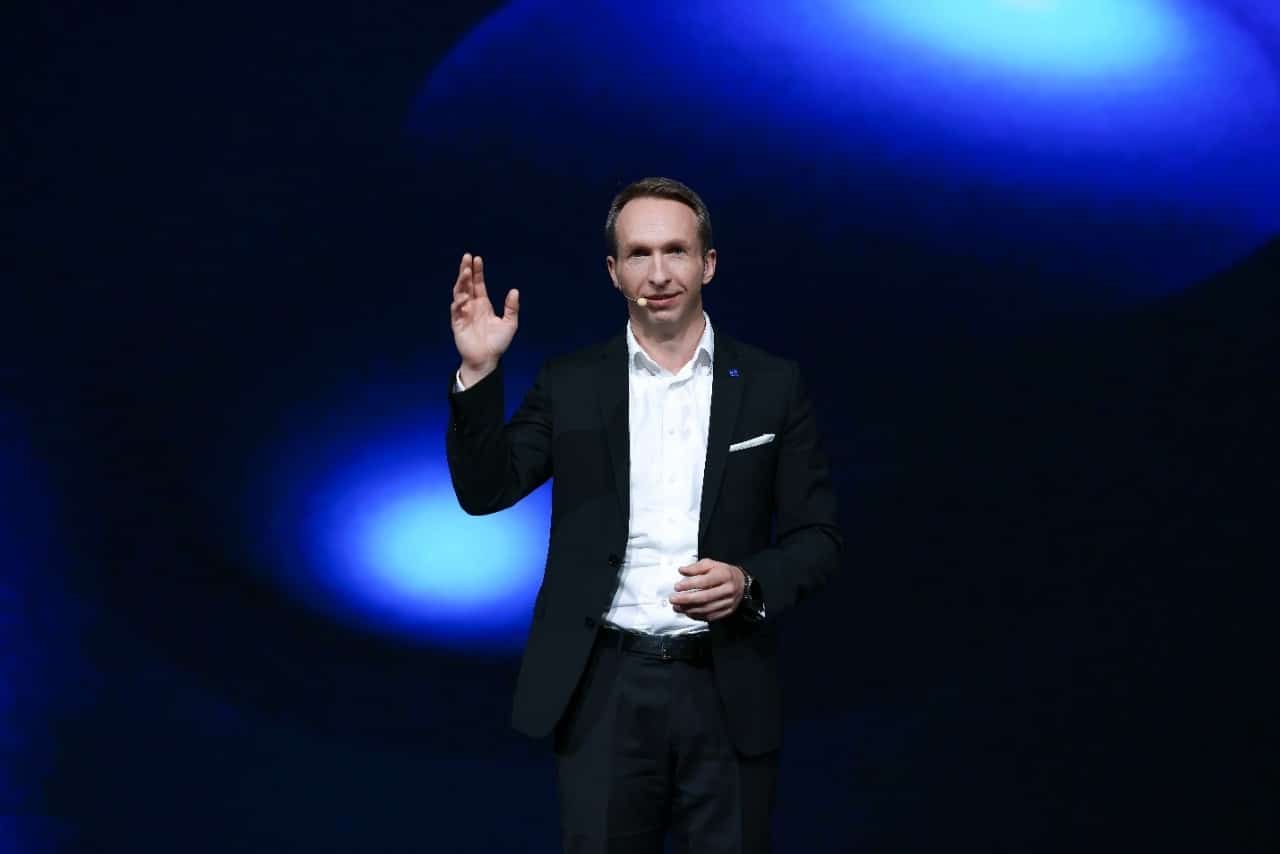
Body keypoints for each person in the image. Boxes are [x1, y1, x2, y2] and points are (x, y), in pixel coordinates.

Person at [446, 177, 841, 853]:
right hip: (604, 689)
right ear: (614, 271)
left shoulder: (773, 386)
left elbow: (819, 538)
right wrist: (479, 372)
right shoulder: (571, 384)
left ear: (707, 263)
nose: (658, 274)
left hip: (726, 683)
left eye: (675, 251)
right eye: (638, 254)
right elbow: (485, 491)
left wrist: (749, 582)